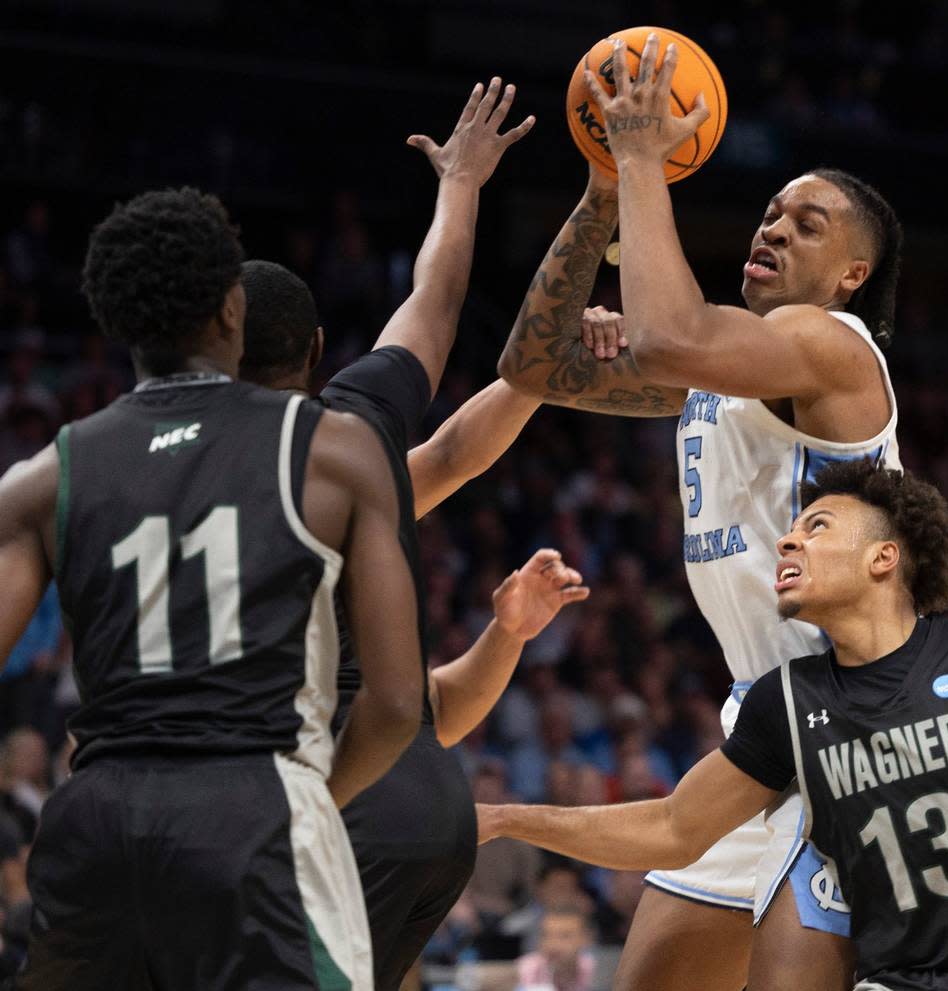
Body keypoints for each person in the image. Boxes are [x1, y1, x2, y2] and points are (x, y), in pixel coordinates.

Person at [497, 33, 903, 991]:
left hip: (854, 724)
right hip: (760, 724)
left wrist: (641, 155)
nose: (772, 229)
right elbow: (531, 365)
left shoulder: (835, 350)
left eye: (807, 225)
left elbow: (670, 335)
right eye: (769, 214)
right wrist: (604, 185)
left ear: (851, 273)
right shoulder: (727, 367)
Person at [479, 459, 948, 991]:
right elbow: (674, 827)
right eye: (792, 528)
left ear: (884, 557)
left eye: (818, 526)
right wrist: (505, 817)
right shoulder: (786, 703)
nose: (789, 539)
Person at [0, 186, 425, 988]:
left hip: (95, 818)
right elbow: (397, 702)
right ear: (232, 310)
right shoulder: (331, 452)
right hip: (255, 802)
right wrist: (315, 797)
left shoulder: (45, 476)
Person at [239, 79, 585, 991]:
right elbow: (439, 334)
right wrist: (461, 185)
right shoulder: (351, 442)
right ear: (316, 349)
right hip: (433, 807)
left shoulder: (185, 486)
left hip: (334, 799)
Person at [515, 903, 597, 991]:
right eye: (546, 935)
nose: (553, 943)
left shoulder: (596, 970)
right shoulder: (525, 969)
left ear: (586, 939)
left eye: (564, 936)